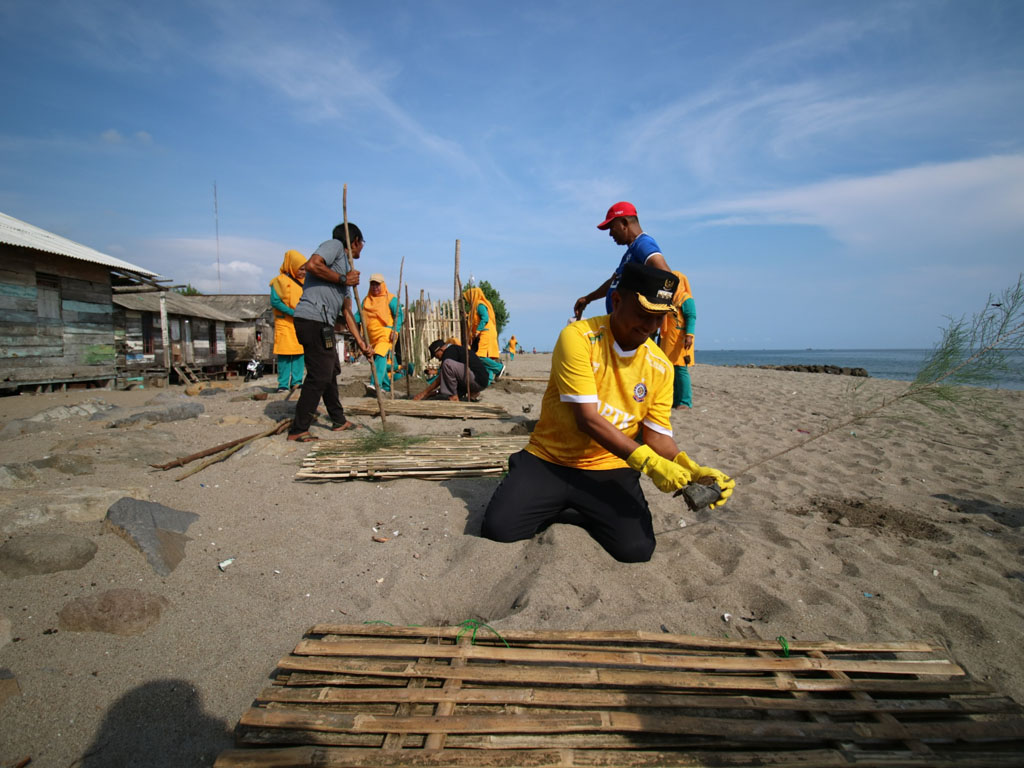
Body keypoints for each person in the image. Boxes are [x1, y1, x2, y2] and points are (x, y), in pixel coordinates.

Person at [482, 262, 734, 563]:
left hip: (610, 466)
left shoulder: (660, 367)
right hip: (551, 459)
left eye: (659, 318)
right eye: (643, 314)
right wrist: (650, 464)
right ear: (617, 301)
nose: (650, 327)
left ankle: (576, 508)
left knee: (637, 550)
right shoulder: (579, 338)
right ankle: (542, 488)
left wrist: (689, 468)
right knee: (499, 528)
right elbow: (587, 419)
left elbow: (656, 435)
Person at [287, 223, 372, 442]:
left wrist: (362, 343)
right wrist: (343, 279)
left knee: (330, 369)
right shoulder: (334, 246)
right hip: (311, 318)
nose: (362, 247)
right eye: (362, 243)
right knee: (320, 374)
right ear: (355, 241)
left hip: (324, 325)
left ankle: (338, 419)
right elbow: (313, 264)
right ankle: (298, 429)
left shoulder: (346, 268)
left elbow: (346, 312)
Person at [573, 201, 671, 320]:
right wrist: (588, 299)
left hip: (630, 329)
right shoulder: (630, 252)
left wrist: (648, 319)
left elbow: (667, 277)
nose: (610, 234)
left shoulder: (643, 244)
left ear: (624, 223)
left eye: (612, 227)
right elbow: (613, 282)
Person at [354, 274, 404, 393]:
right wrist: (350, 321)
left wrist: (395, 330)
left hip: (386, 333)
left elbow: (399, 315)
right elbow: (358, 315)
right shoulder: (366, 300)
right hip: (371, 336)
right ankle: (386, 387)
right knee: (378, 359)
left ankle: (375, 384)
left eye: (377, 284)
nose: (375, 287)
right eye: (372, 284)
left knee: (381, 355)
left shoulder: (391, 298)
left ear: (383, 285)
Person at [268, 250, 308, 393]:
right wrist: (293, 312)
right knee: (285, 354)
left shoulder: (306, 283)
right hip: (284, 322)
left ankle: (297, 382)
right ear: (292, 266)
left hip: (300, 323)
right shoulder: (279, 281)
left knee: (299, 352)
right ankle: (283, 384)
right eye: (301, 269)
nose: (304, 272)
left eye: (305, 269)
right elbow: (275, 302)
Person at [658, 271, 696, 409]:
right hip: (667, 338)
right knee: (669, 369)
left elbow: (691, 316)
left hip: (681, 339)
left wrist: (689, 335)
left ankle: (685, 401)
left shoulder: (686, 299)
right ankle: (674, 399)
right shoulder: (667, 298)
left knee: (681, 369)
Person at [412, 339, 489, 402]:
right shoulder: (456, 350)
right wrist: (430, 394)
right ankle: (472, 392)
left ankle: (454, 397)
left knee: (447, 364)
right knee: (450, 383)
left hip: (476, 379)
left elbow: (441, 378)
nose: (438, 359)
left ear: (441, 349)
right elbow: (447, 382)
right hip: (481, 383)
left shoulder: (449, 351)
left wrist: (424, 393)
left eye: (436, 355)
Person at [463, 286, 504, 383]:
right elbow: (475, 318)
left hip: (486, 332)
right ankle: (488, 380)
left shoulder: (480, 305)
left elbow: (485, 318)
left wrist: (477, 330)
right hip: (485, 332)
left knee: (479, 356)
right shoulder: (475, 307)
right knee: (486, 357)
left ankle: (499, 367)